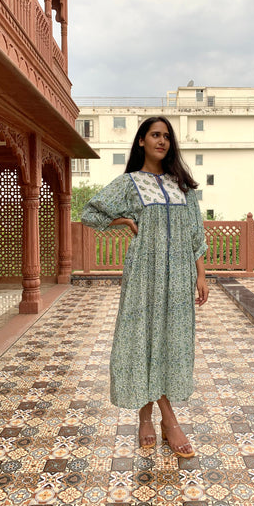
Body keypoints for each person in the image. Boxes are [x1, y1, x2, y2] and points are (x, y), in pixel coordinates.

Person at [82, 116, 209, 458]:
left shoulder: (182, 185)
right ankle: (167, 420)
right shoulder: (129, 183)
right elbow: (90, 212)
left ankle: (147, 417)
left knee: (169, 341)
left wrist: (200, 274)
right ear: (141, 141)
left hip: (178, 276)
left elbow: (196, 234)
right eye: (155, 135)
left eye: (166, 136)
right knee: (142, 341)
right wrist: (123, 220)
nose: (162, 141)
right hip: (143, 277)